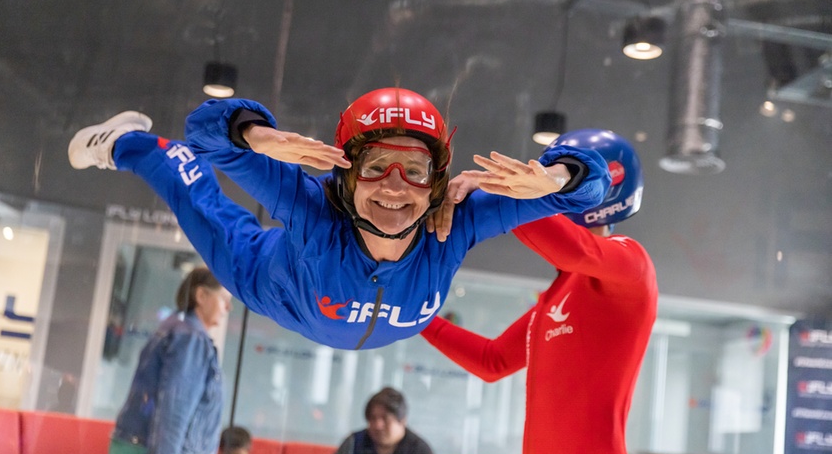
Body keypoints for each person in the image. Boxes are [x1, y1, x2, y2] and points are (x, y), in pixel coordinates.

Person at [68, 88, 610, 350]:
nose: (396, 188)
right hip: (268, 283)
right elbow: (206, 134)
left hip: (332, 314)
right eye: (377, 166)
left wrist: (556, 180)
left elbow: (598, 183)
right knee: (192, 190)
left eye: (415, 171)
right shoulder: (313, 208)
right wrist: (255, 134)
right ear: (347, 176)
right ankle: (127, 142)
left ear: (438, 182)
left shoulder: (454, 223)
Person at [422, 129, 658, 454]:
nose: (544, 184)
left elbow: (577, 250)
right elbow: (493, 361)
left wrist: (500, 192)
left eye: (556, 176)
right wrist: (415, 315)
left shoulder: (633, 266)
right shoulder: (559, 294)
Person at [109, 267, 233, 454]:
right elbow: (176, 405)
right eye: (223, 298)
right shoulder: (190, 338)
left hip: (146, 449)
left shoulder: (178, 329)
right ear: (201, 295)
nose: (227, 307)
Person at [325, 387, 442, 454]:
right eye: (373, 418)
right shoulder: (355, 442)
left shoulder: (419, 452)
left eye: (385, 419)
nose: (378, 425)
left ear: (402, 421)